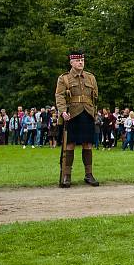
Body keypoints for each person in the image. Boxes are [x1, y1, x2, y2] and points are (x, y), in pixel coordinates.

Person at [54, 50, 100, 188]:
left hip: (87, 113)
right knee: (70, 145)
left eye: (82, 60)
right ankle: (67, 175)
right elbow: (59, 96)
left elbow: (95, 96)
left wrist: (94, 113)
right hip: (72, 114)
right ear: (71, 62)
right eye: (78, 61)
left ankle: (89, 174)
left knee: (88, 144)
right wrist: (62, 112)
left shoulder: (91, 78)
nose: (81, 63)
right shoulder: (65, 78)